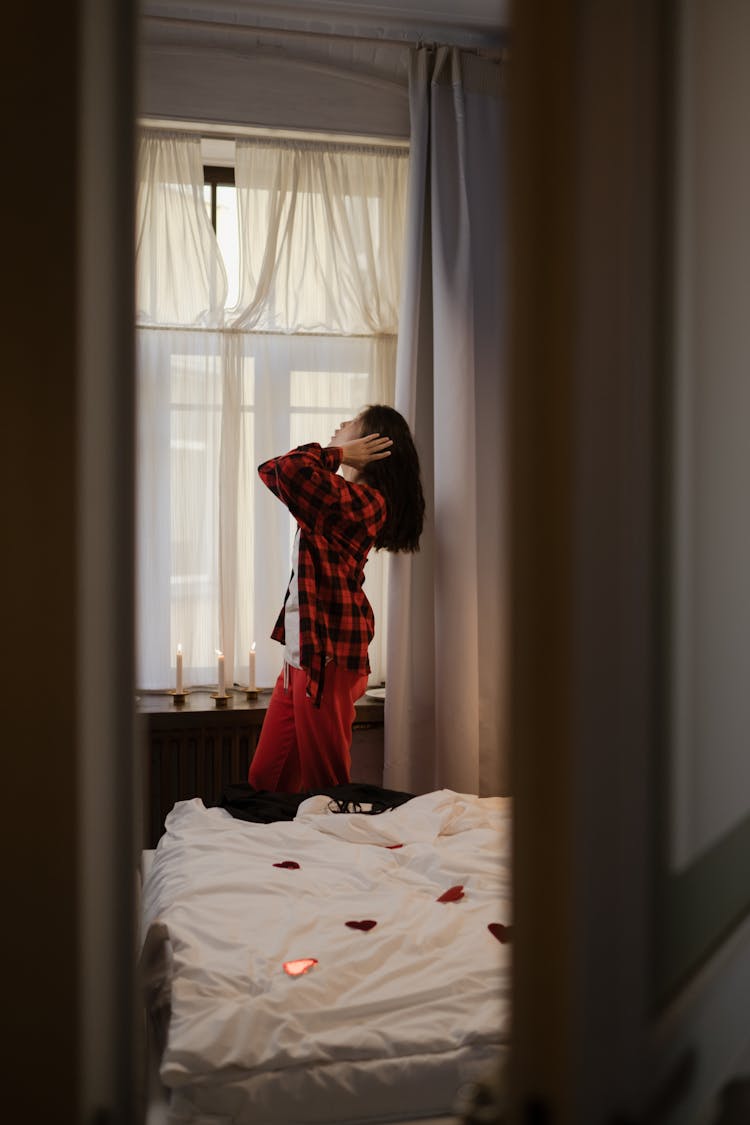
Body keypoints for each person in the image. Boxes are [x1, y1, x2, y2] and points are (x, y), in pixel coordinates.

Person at [248, 404, 425, 792]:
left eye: (352, 425)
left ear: (372, 444)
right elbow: (273, 470)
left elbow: (283, 469)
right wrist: (339, 455)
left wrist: (340, 454)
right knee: (266, 782)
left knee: (325, 786)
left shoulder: (366, 503)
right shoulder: (338, 496)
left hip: (326, 660)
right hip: (300, 657)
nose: (341, 425)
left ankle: (336, 849)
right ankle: (286, 851)